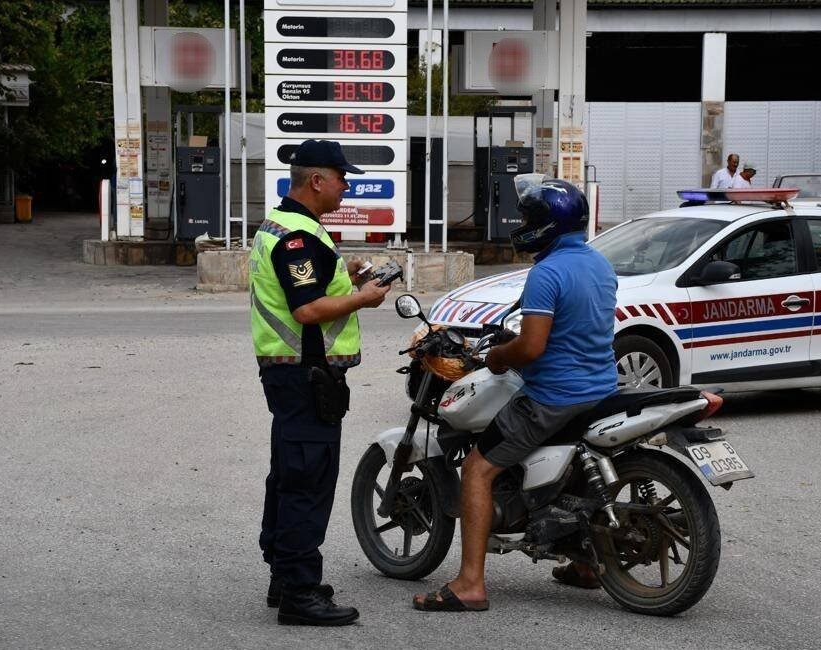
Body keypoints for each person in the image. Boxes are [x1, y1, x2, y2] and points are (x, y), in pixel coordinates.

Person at [412, 175, 618, 612]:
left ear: (546, 224)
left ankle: (470, 583)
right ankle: (584, 565)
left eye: (528, 217)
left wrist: (499, 358)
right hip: (600, 389)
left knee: (477, 469)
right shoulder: (599, 263)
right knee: (575, 474)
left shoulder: (547, 272)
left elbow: (531, 347)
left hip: (553, 396)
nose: (521, 223)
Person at [250, 139, 390, 627]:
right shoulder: (298, 236)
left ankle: (283, 575)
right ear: (316, 180)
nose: (346, 185)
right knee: (308, 480)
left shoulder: (290, 227)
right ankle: (300, 592)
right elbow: (307, 309)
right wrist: (364, 299)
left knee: (289, 475)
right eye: (340, 177)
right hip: (304, 375)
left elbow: (309, 290)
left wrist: (343, 276)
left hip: (291, 373)